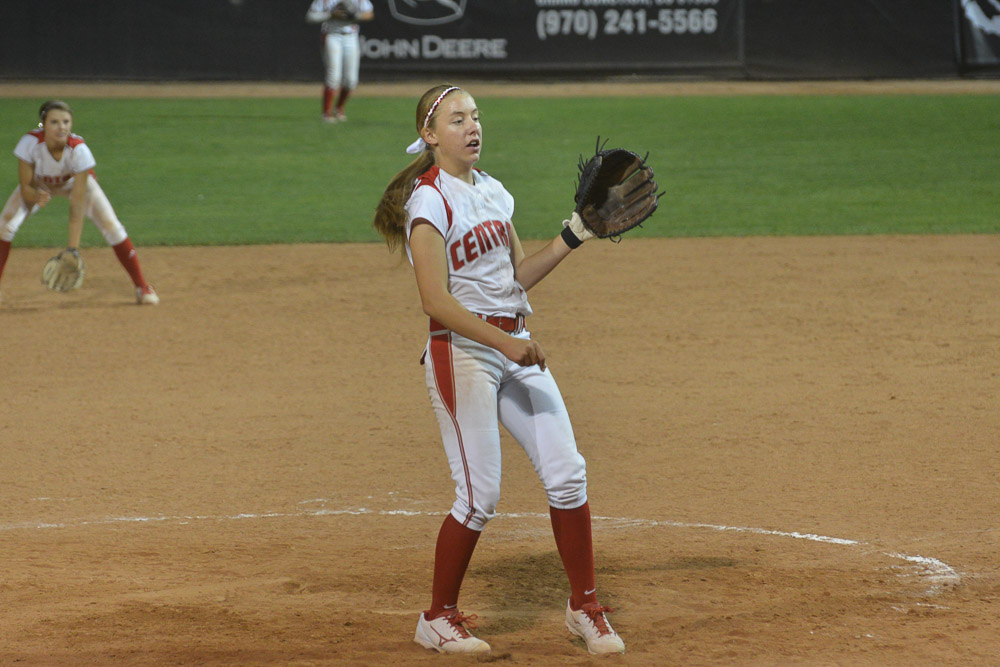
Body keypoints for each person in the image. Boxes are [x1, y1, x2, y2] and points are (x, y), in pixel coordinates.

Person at [372, 84, 626, 656]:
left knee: (568, 474)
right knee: (478, 494)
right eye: (457, 119)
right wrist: (505, 345)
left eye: (476, 116)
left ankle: (584, 606)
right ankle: (437, 618)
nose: (473, 127)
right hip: (462, 352)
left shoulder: (493, 191)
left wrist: (574, 234)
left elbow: (514, 279)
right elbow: (435, 301)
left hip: (513, 345)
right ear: (430, 135)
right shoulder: (428, 203)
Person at [0, 100, 158, 305]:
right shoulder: (29, 144)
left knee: (112, 226)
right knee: (5, 225)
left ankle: (142, 287)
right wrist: (35, 196)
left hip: (75, 184)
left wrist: (72, 249)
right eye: (54, 122)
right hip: (40, 185)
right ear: (43, 124)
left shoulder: (78, 150)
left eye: (66, 122)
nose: (61, 127)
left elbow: (77, 205)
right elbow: (25, 188)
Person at [305, 0, 375, 123]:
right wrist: (330, 15)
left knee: (351, 81)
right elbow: (310, 17)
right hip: (332, 35)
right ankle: (326, 113)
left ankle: (338, 108)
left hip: (351, 36)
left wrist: (354, 15)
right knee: (333, 77)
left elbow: (369, 14)